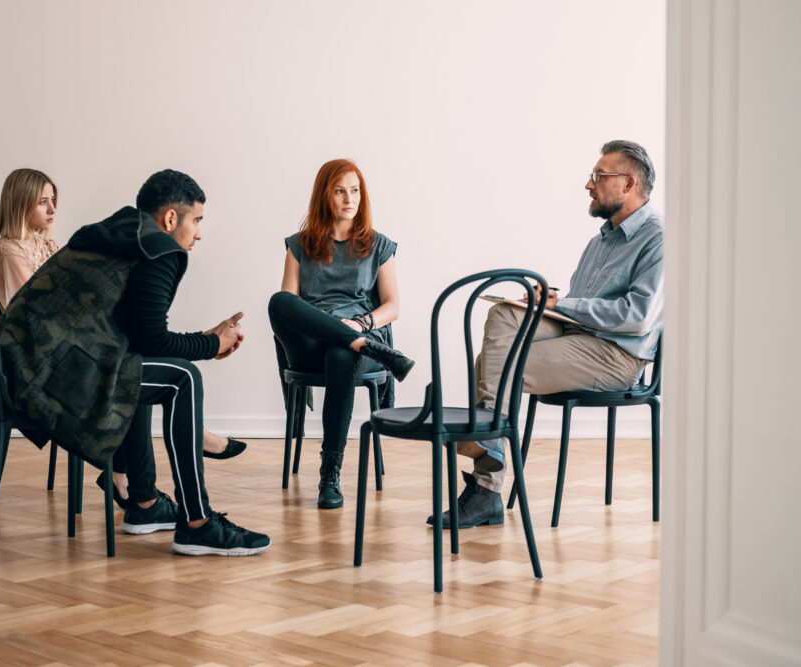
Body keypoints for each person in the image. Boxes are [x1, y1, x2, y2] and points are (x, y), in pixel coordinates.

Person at [0, 169, 269, 556]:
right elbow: (150, 338)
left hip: (14, 369)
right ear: (171, 219)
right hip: (47, 379)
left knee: (134, 367)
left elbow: (137, 340)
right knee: (182, 378)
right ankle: (197, 523)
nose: (199, 234)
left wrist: (208, 340)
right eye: (197, 221)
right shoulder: (162, 249)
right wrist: (209, 344)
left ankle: (144, 503)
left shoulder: (119, 230)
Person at [436, 140, 663, 528]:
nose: (589, 185)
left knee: (497, 365)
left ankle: (486, 486)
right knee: (505, 314)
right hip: (581, 335)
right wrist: (550, 301)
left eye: (598, 176)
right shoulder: (600, 241)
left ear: (627, 183)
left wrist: (563, 306)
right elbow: (583, 303)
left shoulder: (657, 239)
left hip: (617, 355)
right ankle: (490, 446)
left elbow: (637, 317)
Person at [268, 158, 414, 509]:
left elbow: (392, 306)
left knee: (342, 353)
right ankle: (364, 346)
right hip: (308, 344)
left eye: (355, 191)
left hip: (354, 345)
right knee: (278, 301)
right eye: (339, 191)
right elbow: (289, 305)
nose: (349, 199)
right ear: (324, 196)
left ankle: (329, 475)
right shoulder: (299, 245)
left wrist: (362, 325)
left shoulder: (378, 245)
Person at [0, 168, 60, 313]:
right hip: (31, 332)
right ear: (21, 206)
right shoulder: (8, 251)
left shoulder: (50, 246)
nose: (52, 209)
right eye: (43, 202)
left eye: (52, 199)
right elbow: (37, 307)